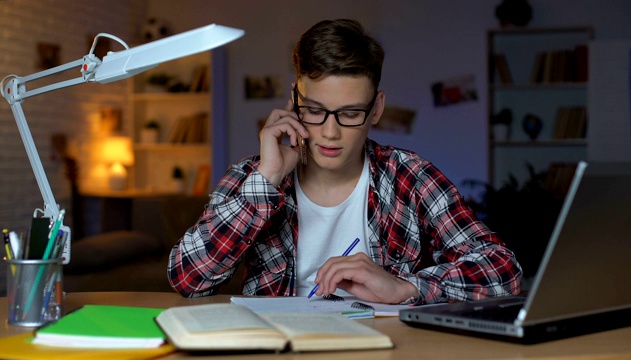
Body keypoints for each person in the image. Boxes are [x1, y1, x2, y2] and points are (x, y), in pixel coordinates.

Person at [168, 19, 522, 305]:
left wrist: (408, 288)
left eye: (351, 113)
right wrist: (269, 178)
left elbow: (503, 270)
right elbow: (188, 278)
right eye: (315, 111)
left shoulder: (410, 176)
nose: (331, 132)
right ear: (294, 99)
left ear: (377, 109)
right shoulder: (253, 175)